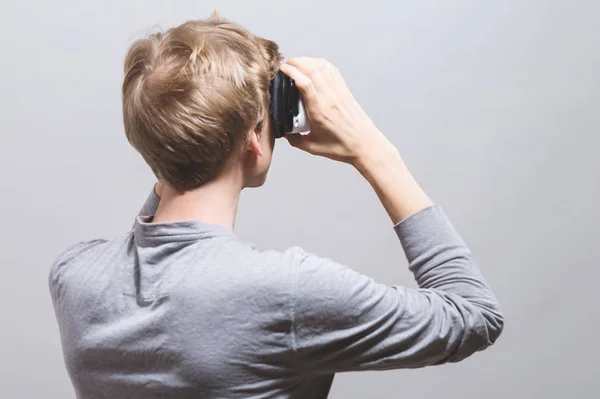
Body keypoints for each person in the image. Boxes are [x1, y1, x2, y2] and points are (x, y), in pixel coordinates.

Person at [48, 13, 504, 399]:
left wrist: (172, 136)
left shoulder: (75, 276)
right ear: (254, 137)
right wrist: (371, 149)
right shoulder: (287, 291)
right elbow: (474, 316)